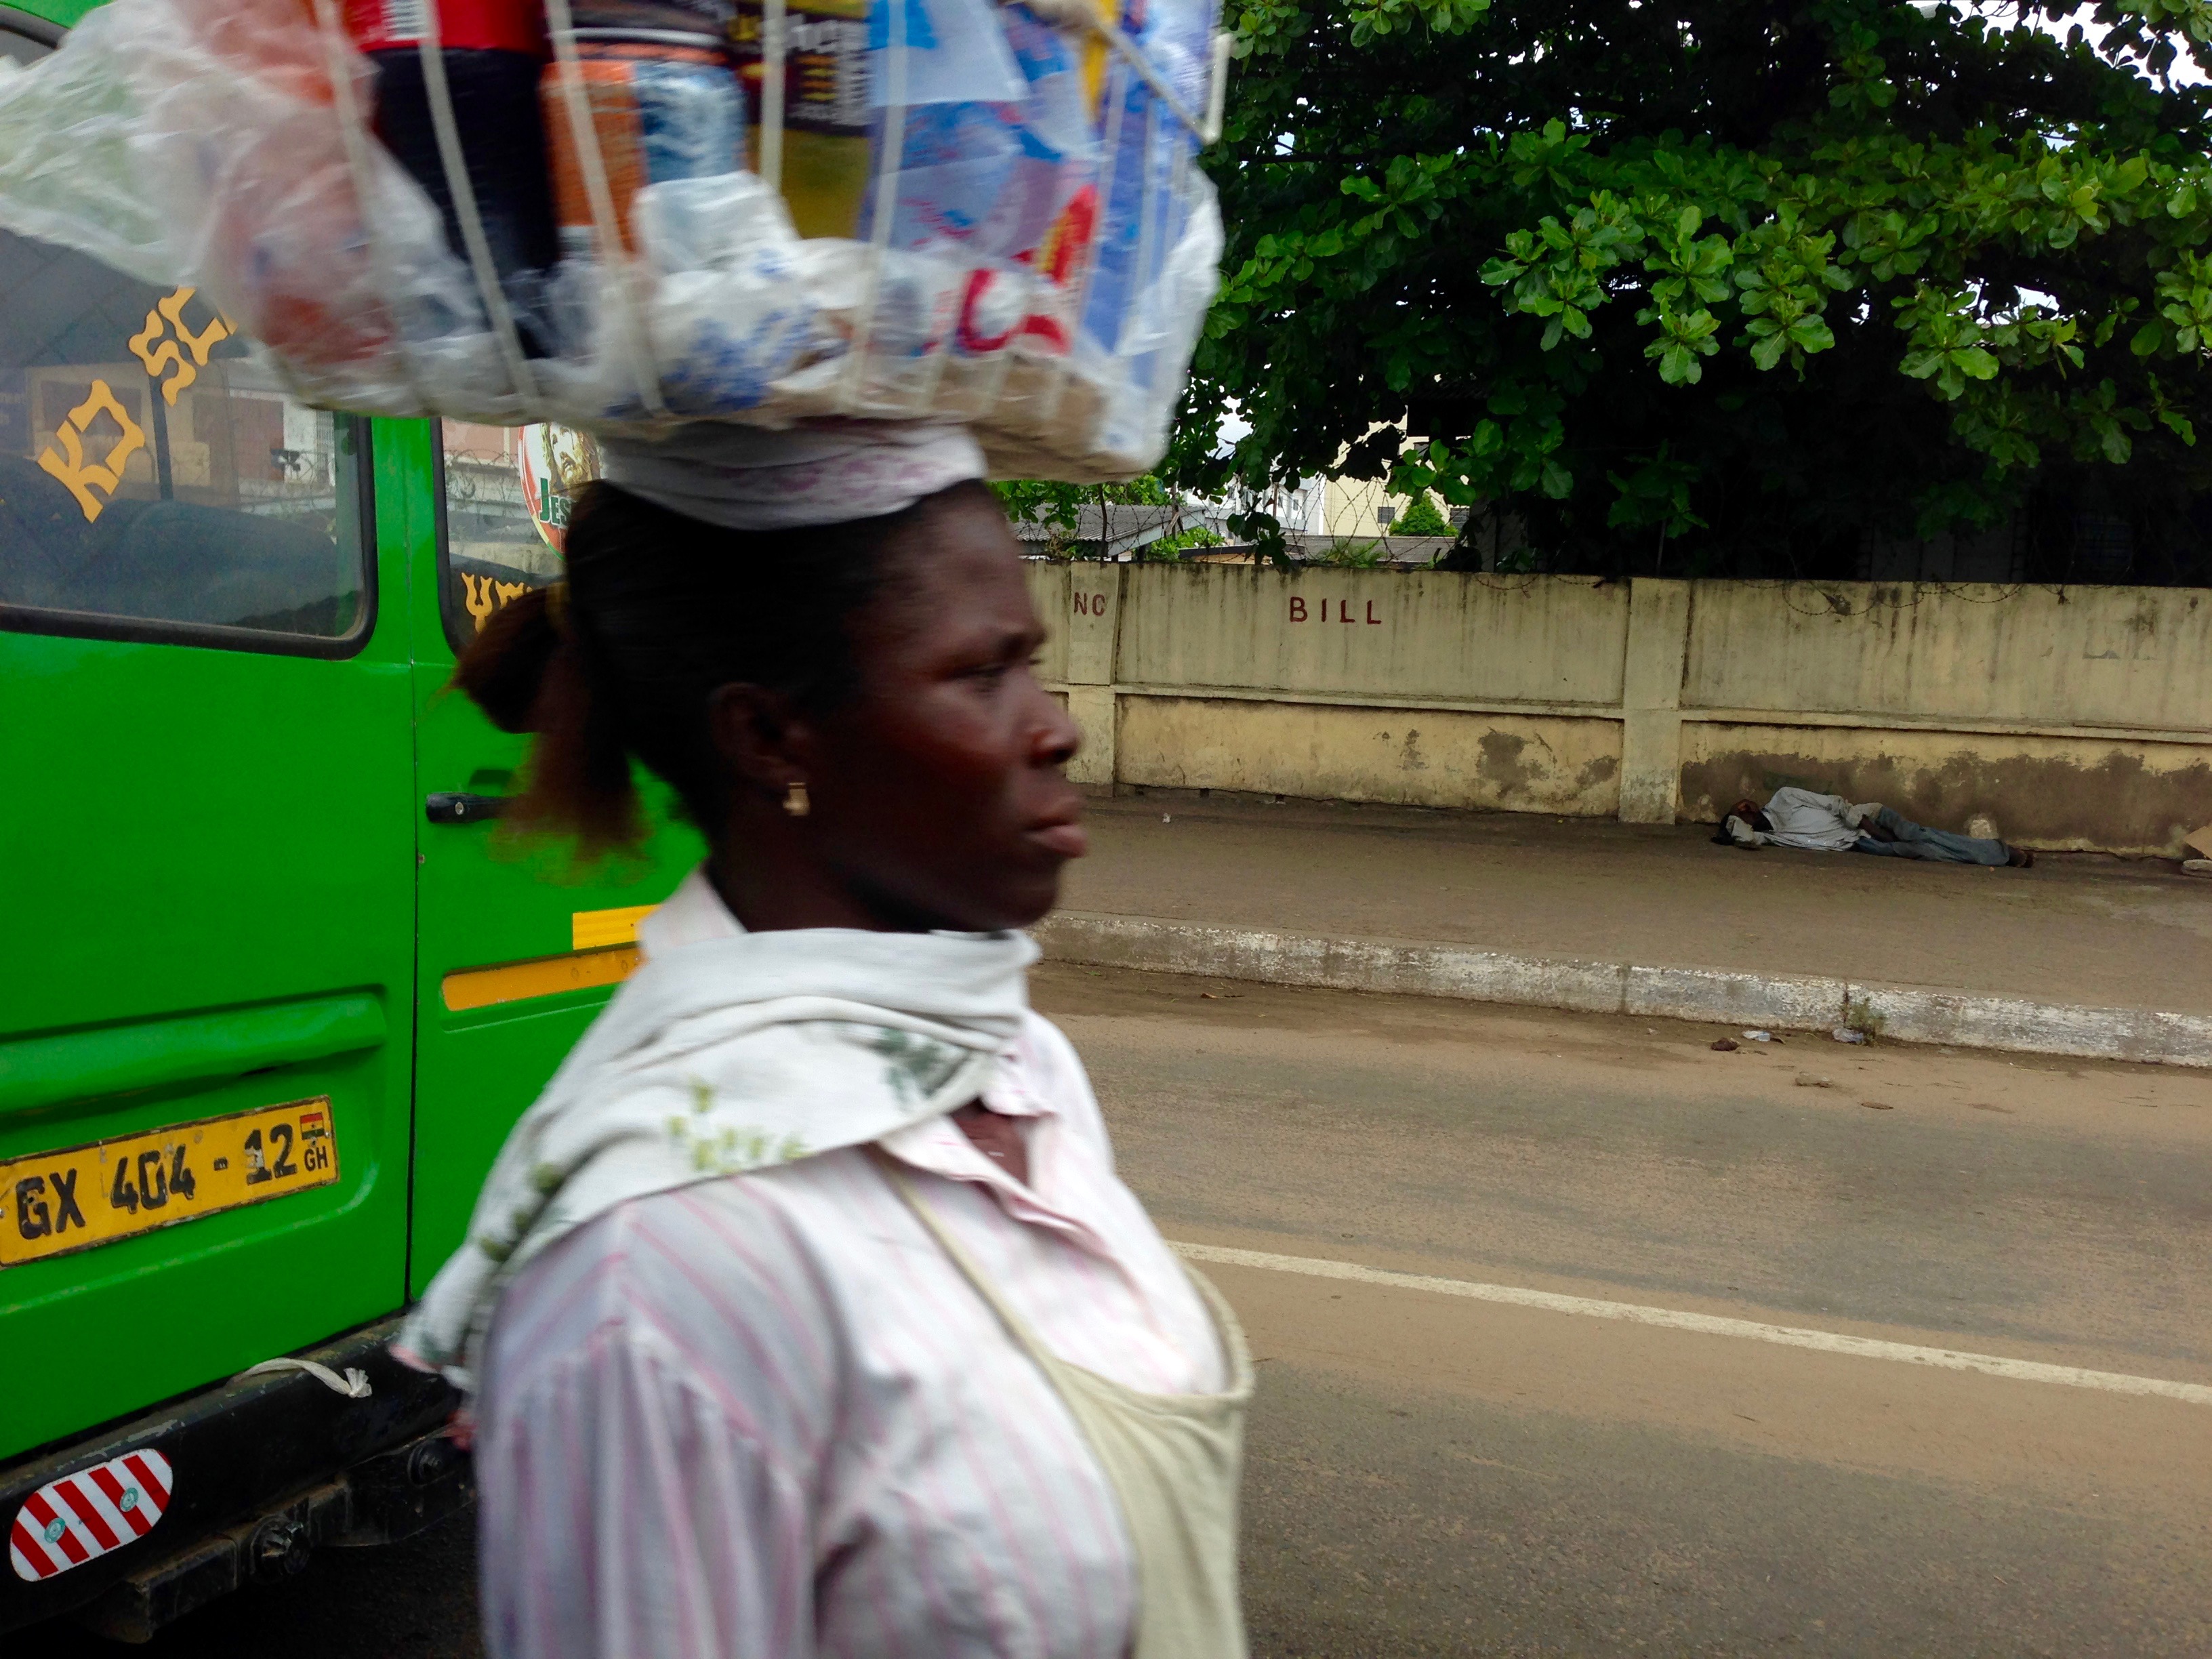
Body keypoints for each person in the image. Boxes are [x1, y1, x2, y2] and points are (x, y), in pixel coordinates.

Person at [396, 423, 1252, 1659]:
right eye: (979, 673)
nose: (1053, 726)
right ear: (769, 738)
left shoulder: (1014, 1063)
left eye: (1032, 664)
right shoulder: (662, 1281)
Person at [1717, 786, 2034, 867]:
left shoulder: (1785, 798)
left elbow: (1837, 804)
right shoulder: (1771, 838)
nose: (1745, 810)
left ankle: (2003, 853)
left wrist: (1869, 824)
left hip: (1870, 817)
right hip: (1860, 843)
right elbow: (1745, 840)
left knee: (1917, 835)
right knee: (1923, 851)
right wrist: (1731, 823)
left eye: (1744, 808)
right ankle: (1992, 856)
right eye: (1740, 813)